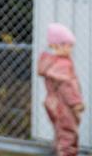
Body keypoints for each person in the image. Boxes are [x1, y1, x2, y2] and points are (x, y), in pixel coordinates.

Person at [38, 22, 84, 156]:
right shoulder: (62, 64)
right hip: (64, 105)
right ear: (56, 45)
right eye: (68, 45)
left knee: (60, 132)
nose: (71, 49)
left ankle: (57, 151)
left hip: (53, 103)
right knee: (69, 134)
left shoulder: (49, 62)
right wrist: (76, 103)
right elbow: (68, 86)